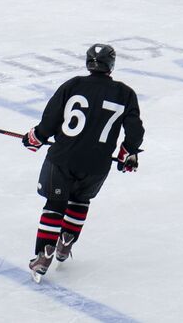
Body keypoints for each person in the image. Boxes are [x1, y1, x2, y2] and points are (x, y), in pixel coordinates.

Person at [22, 43, 144, 282]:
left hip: (63, 157)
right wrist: (128, 153)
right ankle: (66, 241)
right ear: (111, 64)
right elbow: (135, 131)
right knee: (80, 200)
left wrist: (37, 137)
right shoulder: (125, 93)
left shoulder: (73, 85)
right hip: (97, 165)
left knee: (55, 203)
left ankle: (44, 254)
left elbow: (51, 118)